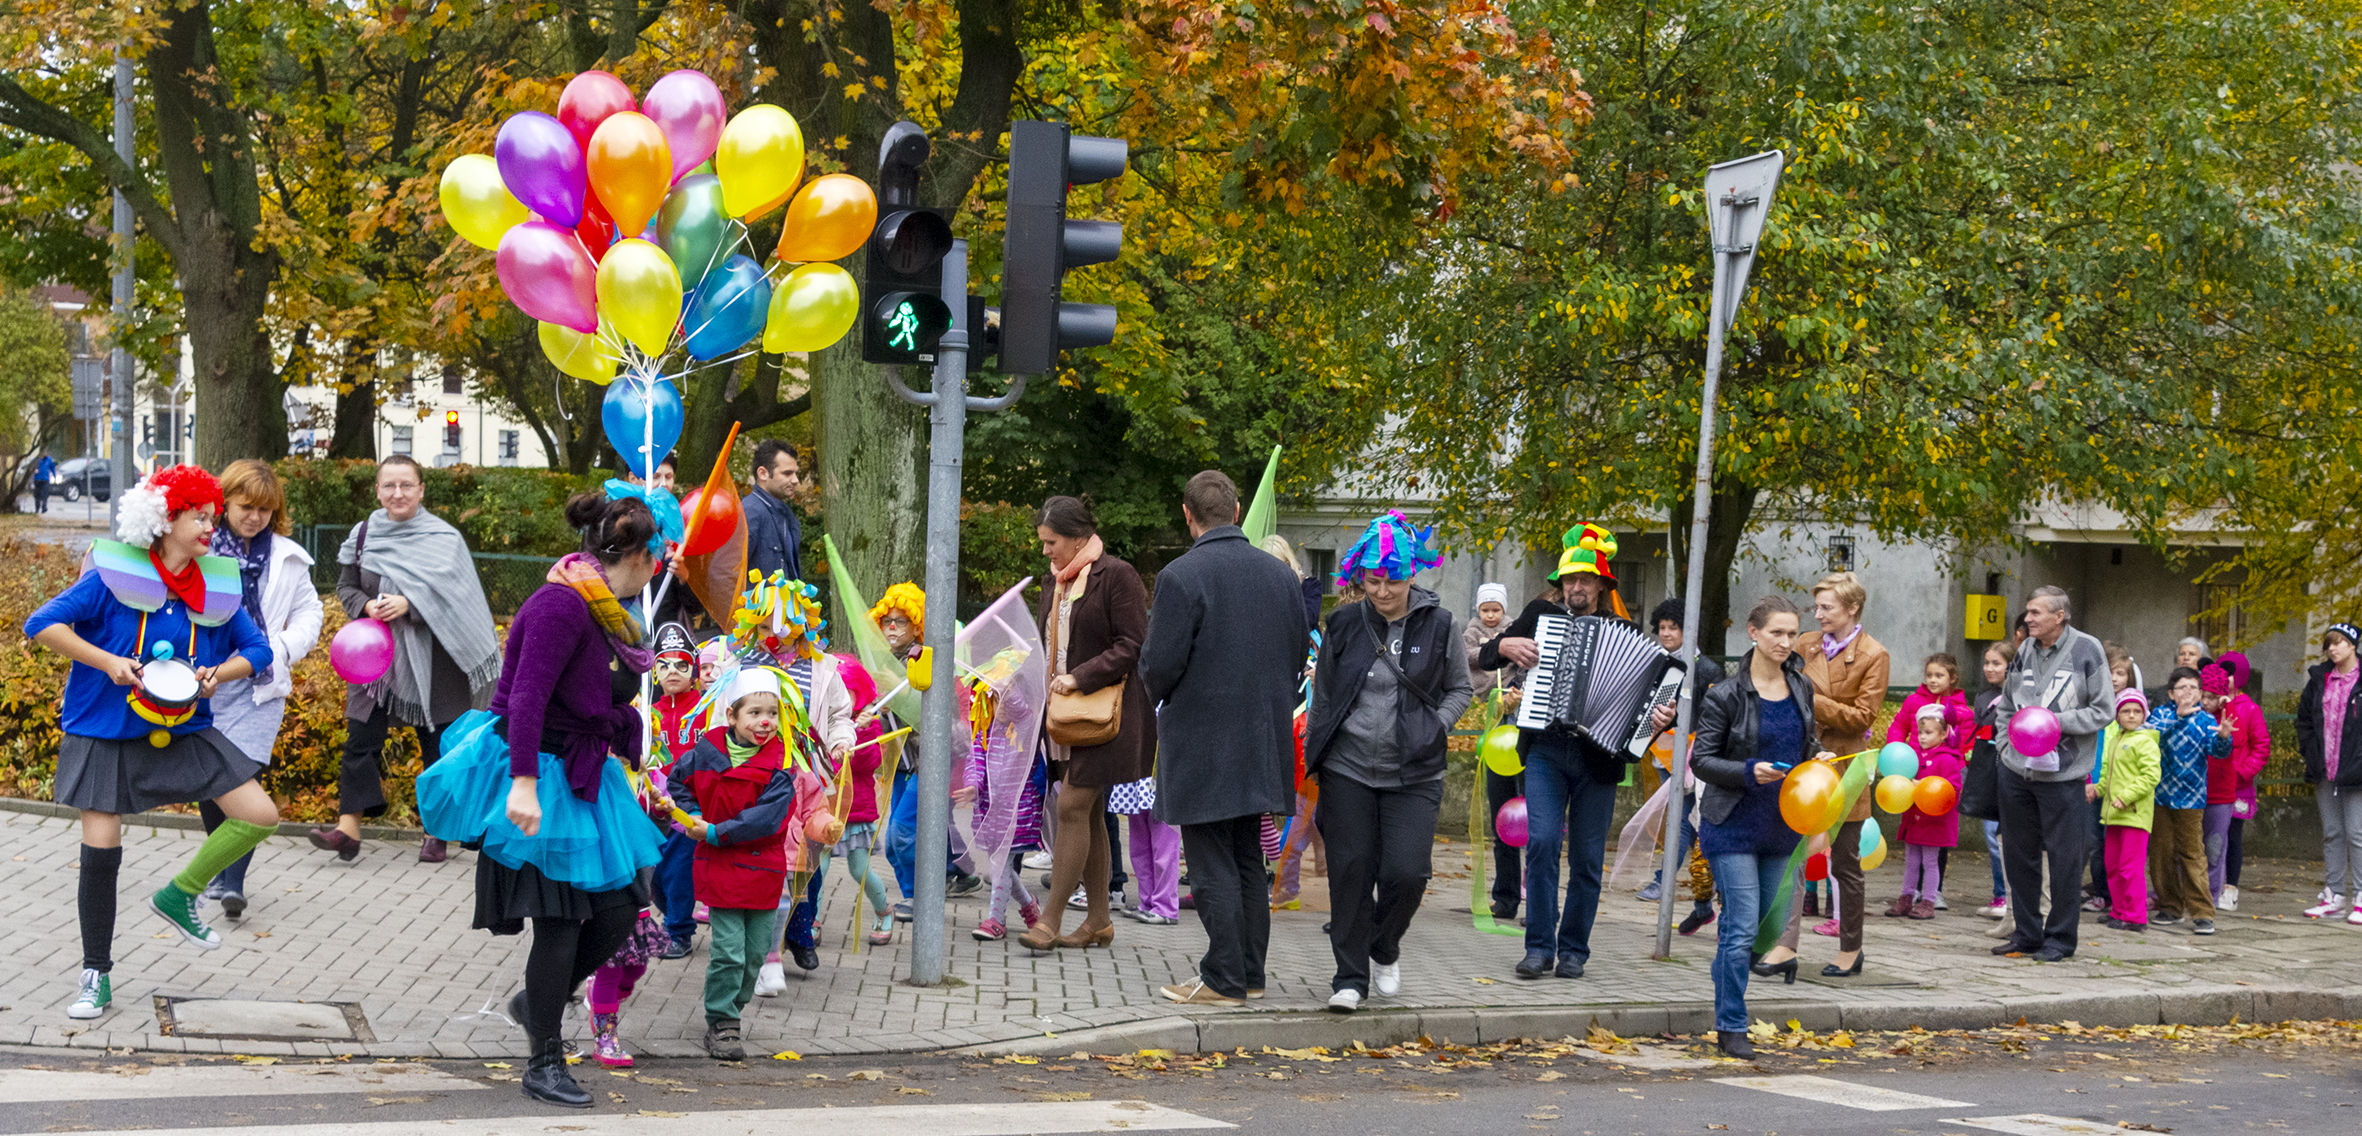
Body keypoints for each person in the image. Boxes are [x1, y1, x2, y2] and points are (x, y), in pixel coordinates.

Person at [410, 492, 667, 1108]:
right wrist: (523, 784)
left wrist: (627, 745)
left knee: (619, 909)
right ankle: (544, 1060)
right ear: (637, 554)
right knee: (560, 920)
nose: (660, 564)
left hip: (585, 771)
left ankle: (537, 1003)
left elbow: (602, 696)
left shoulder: (611, 613)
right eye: (656, 553)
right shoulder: (561, 604)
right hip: (539, 773)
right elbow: (524, 697)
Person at [26, 465, 283, 1021]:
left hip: (184, 727)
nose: (210, 526)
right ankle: (96, 973)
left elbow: (259, 651)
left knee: (260, 814)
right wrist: (109, 662)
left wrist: (222, 672)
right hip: (105, 730)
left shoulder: (216, 583)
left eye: (213, 517)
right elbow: (43, 624)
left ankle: (180, 893)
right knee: (102, 855)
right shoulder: (113, 574)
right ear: (165, 519)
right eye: (199, 515)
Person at [1140, 471, 1308, 1006]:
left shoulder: (1180, 576)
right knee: (1244, 862)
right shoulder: (1281, 576)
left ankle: (1223, 978)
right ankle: (1250, 975)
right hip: (1263, 736)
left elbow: (1160, 665)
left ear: (1188, 515)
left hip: (1203, 740)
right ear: (1236, 512)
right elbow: (1296, 656)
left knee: (1211, 861)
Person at [1302, 512, 1470, 1013]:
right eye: (1372, 580)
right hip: (1348, 768)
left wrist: (1437, 724)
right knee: (1350, 871)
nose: (1381, 590)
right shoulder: (1346, 623)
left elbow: (1460, 686)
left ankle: (1385, 945)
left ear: (1412, 573)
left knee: (1407, 872)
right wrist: (1316, 749)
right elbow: (1326, 693)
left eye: (1392, 579)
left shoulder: (1441, 626)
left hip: (1414, 770)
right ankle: (1349, 978)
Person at [315, 454, 500, 863]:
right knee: (360, 741)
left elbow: (459, 599)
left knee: (437, 749)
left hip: (436, 663)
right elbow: (345, 587)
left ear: (421, 490)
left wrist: (410, 604)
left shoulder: (444, 539)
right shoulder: (363, 534)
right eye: (389, 486)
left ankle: (438, 833)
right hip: (375, 659)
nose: (397, 493)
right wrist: (366, 608)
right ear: (377, 490)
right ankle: (349, 829)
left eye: (406, 485)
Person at [1474, 523, 1625, 980]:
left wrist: (1658, 718)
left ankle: (1574, 949)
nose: (1576, 587)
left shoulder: (1621, 630)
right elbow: (1485, 659)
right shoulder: (1539, 613)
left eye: (1585, 580)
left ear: (1601, 584)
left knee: (1587, 858)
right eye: (1569, 580)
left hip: (1597, 757)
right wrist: (1504, 642)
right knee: (1540, 843)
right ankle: (1538, 946)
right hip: (1544, 748)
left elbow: (1644, 700)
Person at [1688, 595, 1833, 1059]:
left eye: (1792, 634)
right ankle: (1731, 1024)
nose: (1786, 642)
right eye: (1777, 633)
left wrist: (1818, 761)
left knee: (1767, 933)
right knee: (1741, 925)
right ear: (1753, 632)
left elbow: (1806, 745)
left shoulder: (1800, 686)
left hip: (1783, 824)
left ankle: (1726, 980)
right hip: (1731, 823)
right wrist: (1749, 770)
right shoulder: (1726, 695)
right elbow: (1702, 760)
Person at [1022, 495, 1154, 952]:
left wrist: (1080, 676)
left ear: (1078, 536)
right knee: (1091, 813)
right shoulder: (1052, 582)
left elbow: (1133, 643)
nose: (1046, 551)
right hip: (1063, 721)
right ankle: (1099, 921)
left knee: (1073, 808)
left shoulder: (1116, 575)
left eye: (1051, 542)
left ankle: (1051, 919)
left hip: (1105, 719)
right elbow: (1045, 648)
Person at [197, 459, 326, 919]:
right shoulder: (200, 546)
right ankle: (219, 865)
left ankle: (232, 882)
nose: (255, 517)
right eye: (246, 506)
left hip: (260, 684)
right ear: (224, 501)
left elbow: (311, 611)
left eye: (265, 510)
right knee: (212, 778)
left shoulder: (288, 556)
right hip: (206, 679)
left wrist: (282, 648)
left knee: (242, 776)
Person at [668, 669, 804, 1062]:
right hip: (719, 866)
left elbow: (768, 819)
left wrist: (714, 831)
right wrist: (690, 814)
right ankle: (723, 1021)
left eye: (773, 714)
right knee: (729, 951)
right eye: (755, 713)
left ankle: (731, 1007)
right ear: (732, 716)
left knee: (756, 953)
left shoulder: (783, 764)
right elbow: (677, 782)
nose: (766, 722)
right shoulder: (704, 753)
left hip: (761, 868)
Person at [1767, 572, 1886, 976]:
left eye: (1827, 607)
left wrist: (1810, 700)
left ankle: (1851, 949)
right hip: (1803, 762)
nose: (1818, 615)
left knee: (1845, 863)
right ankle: (1784, 946)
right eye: (1816, 607)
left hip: (1846, 769)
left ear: (1852, 608)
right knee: (1792, 857)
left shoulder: (1874, 654)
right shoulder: (1805, 644)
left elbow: (1863, 718)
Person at [1990, 586, 2112, 962]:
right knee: (2018, 854)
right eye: (2028, 612)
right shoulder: (2025, 648)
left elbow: (2104, 709)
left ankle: (2060, 939)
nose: (2028, 619)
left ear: (2059, 616)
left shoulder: (2087, 650)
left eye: (2036, 612)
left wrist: (2053, 723)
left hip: (2063, 774)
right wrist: (2004, 744)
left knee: (2064, 859)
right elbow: (2008, 702)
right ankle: (2026, 933)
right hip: (2017, 770)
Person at [1640, 596, 1727, 932]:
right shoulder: (1658, 662)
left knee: (1702, 830)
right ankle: (1685, 890)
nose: (1666, 634)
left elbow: (1712, 717)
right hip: (1666, 755)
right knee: (1677, 822)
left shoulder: (1705, 669)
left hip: (1697, 761)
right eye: (1661, 628)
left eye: (1673, 627)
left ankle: (1710, 900)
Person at [2147, 666, 2229, 935]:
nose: (2188, 692)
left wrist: (2223, 736)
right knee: (2161, 854)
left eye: (2194, 688)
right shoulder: (2161, 715)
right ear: (2171, 693)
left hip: (2191, 799)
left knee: (2193, 854)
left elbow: (2216, 750)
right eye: (2182, 687)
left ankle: (2203, 913)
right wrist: (2176, 720)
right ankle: (2170, 906)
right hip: (2160, 796)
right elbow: (2149, 737)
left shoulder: (2205, 720)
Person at [2297, 623, 2362, 922]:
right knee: (2332, 833)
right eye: (2329, 644)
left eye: (2339, 643)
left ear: (2353, 645)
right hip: (2326, 767)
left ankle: (2360, 896)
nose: (2332, 649)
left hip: (2356, 769)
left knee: (2357, 834)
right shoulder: (2319, 680)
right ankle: (2334, 895)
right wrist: (2311, 751)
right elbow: (2305, 720)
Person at [648, 623, 704, 959]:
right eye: (664, 665)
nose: (672, 672)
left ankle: (679, 931)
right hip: (654, 806)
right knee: (655, 873)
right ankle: (672, 916)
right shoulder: (647, 711)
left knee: (679, 871)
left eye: (681, 664)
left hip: (688, 805)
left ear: (693, 670)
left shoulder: (706, 708)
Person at [1467, 582, 1523, 919]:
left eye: (1496, 609)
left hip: (1523, 730)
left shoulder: (1517, 634)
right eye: (1485, 608)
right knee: (1501, 813)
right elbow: (1469, 660)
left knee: (1534, 821)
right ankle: (1505, 896)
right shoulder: (1473, 633)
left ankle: (1538, 897)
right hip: (1495, 725)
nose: (1490, 614)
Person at [1886, 704, 1964, 921]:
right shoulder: (1914, 757)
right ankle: (1906, 897)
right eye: (1919, 732)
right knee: (1911, 860)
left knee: (1930, 862)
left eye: (1928, 733)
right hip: (1914, 819)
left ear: (1942, 734)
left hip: (1934, 821)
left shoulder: (1947, 759)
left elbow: (1953, 788)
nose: (1921, 737)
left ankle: (1928, 900)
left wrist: (1924, 786)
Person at [2094, 689, 2160, 932]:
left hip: (2134, 814)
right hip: (2113, 814)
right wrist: (2097, 790)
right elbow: (2107, 774)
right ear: (2117, 715)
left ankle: (2135, 916)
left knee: (2130, 868)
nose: (2131, 715)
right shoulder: (2115, 740)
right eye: (2125, 711)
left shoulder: (2145, 741)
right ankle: (2119, 910)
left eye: (2136, 711)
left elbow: (2151, 775)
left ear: (2144, 714)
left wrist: (2126, 797)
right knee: (2112, 865)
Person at [2213, 651, 2268, 912]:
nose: (2227, 678)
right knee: (2212, 837)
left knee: (2233, 837)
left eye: (2231, 673)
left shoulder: (2250, 710)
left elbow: (2261, 747)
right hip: (2213, 783)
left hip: (2238, 787)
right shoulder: (2213, 706)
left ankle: (2230, 888)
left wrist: (2244, 772)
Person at [1972, 640, 2016, 921]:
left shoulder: (2021, 695)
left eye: (1996, 663)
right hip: (1988, 770)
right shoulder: (1982, 698)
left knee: (2007, 837)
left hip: (2011, 770)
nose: (1989, 668)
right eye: (1986, 663)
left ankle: (2014, 897)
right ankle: (2000, 893)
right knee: (1991, 835)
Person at [743, 439, 804, 584]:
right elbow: (730, 572)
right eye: (787, 473)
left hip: (786, 605)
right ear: (763, 474)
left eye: (796, 473)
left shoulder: (786, 513)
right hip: (757, 606)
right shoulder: (750, 511)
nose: (795, 480)